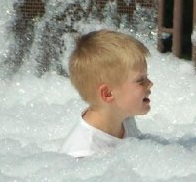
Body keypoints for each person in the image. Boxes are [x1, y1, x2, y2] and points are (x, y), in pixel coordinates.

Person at [60, 29, 153, 157]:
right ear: (108, 93)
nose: (150, 83)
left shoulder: (122, 115)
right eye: (140, 80)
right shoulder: (84, 153)